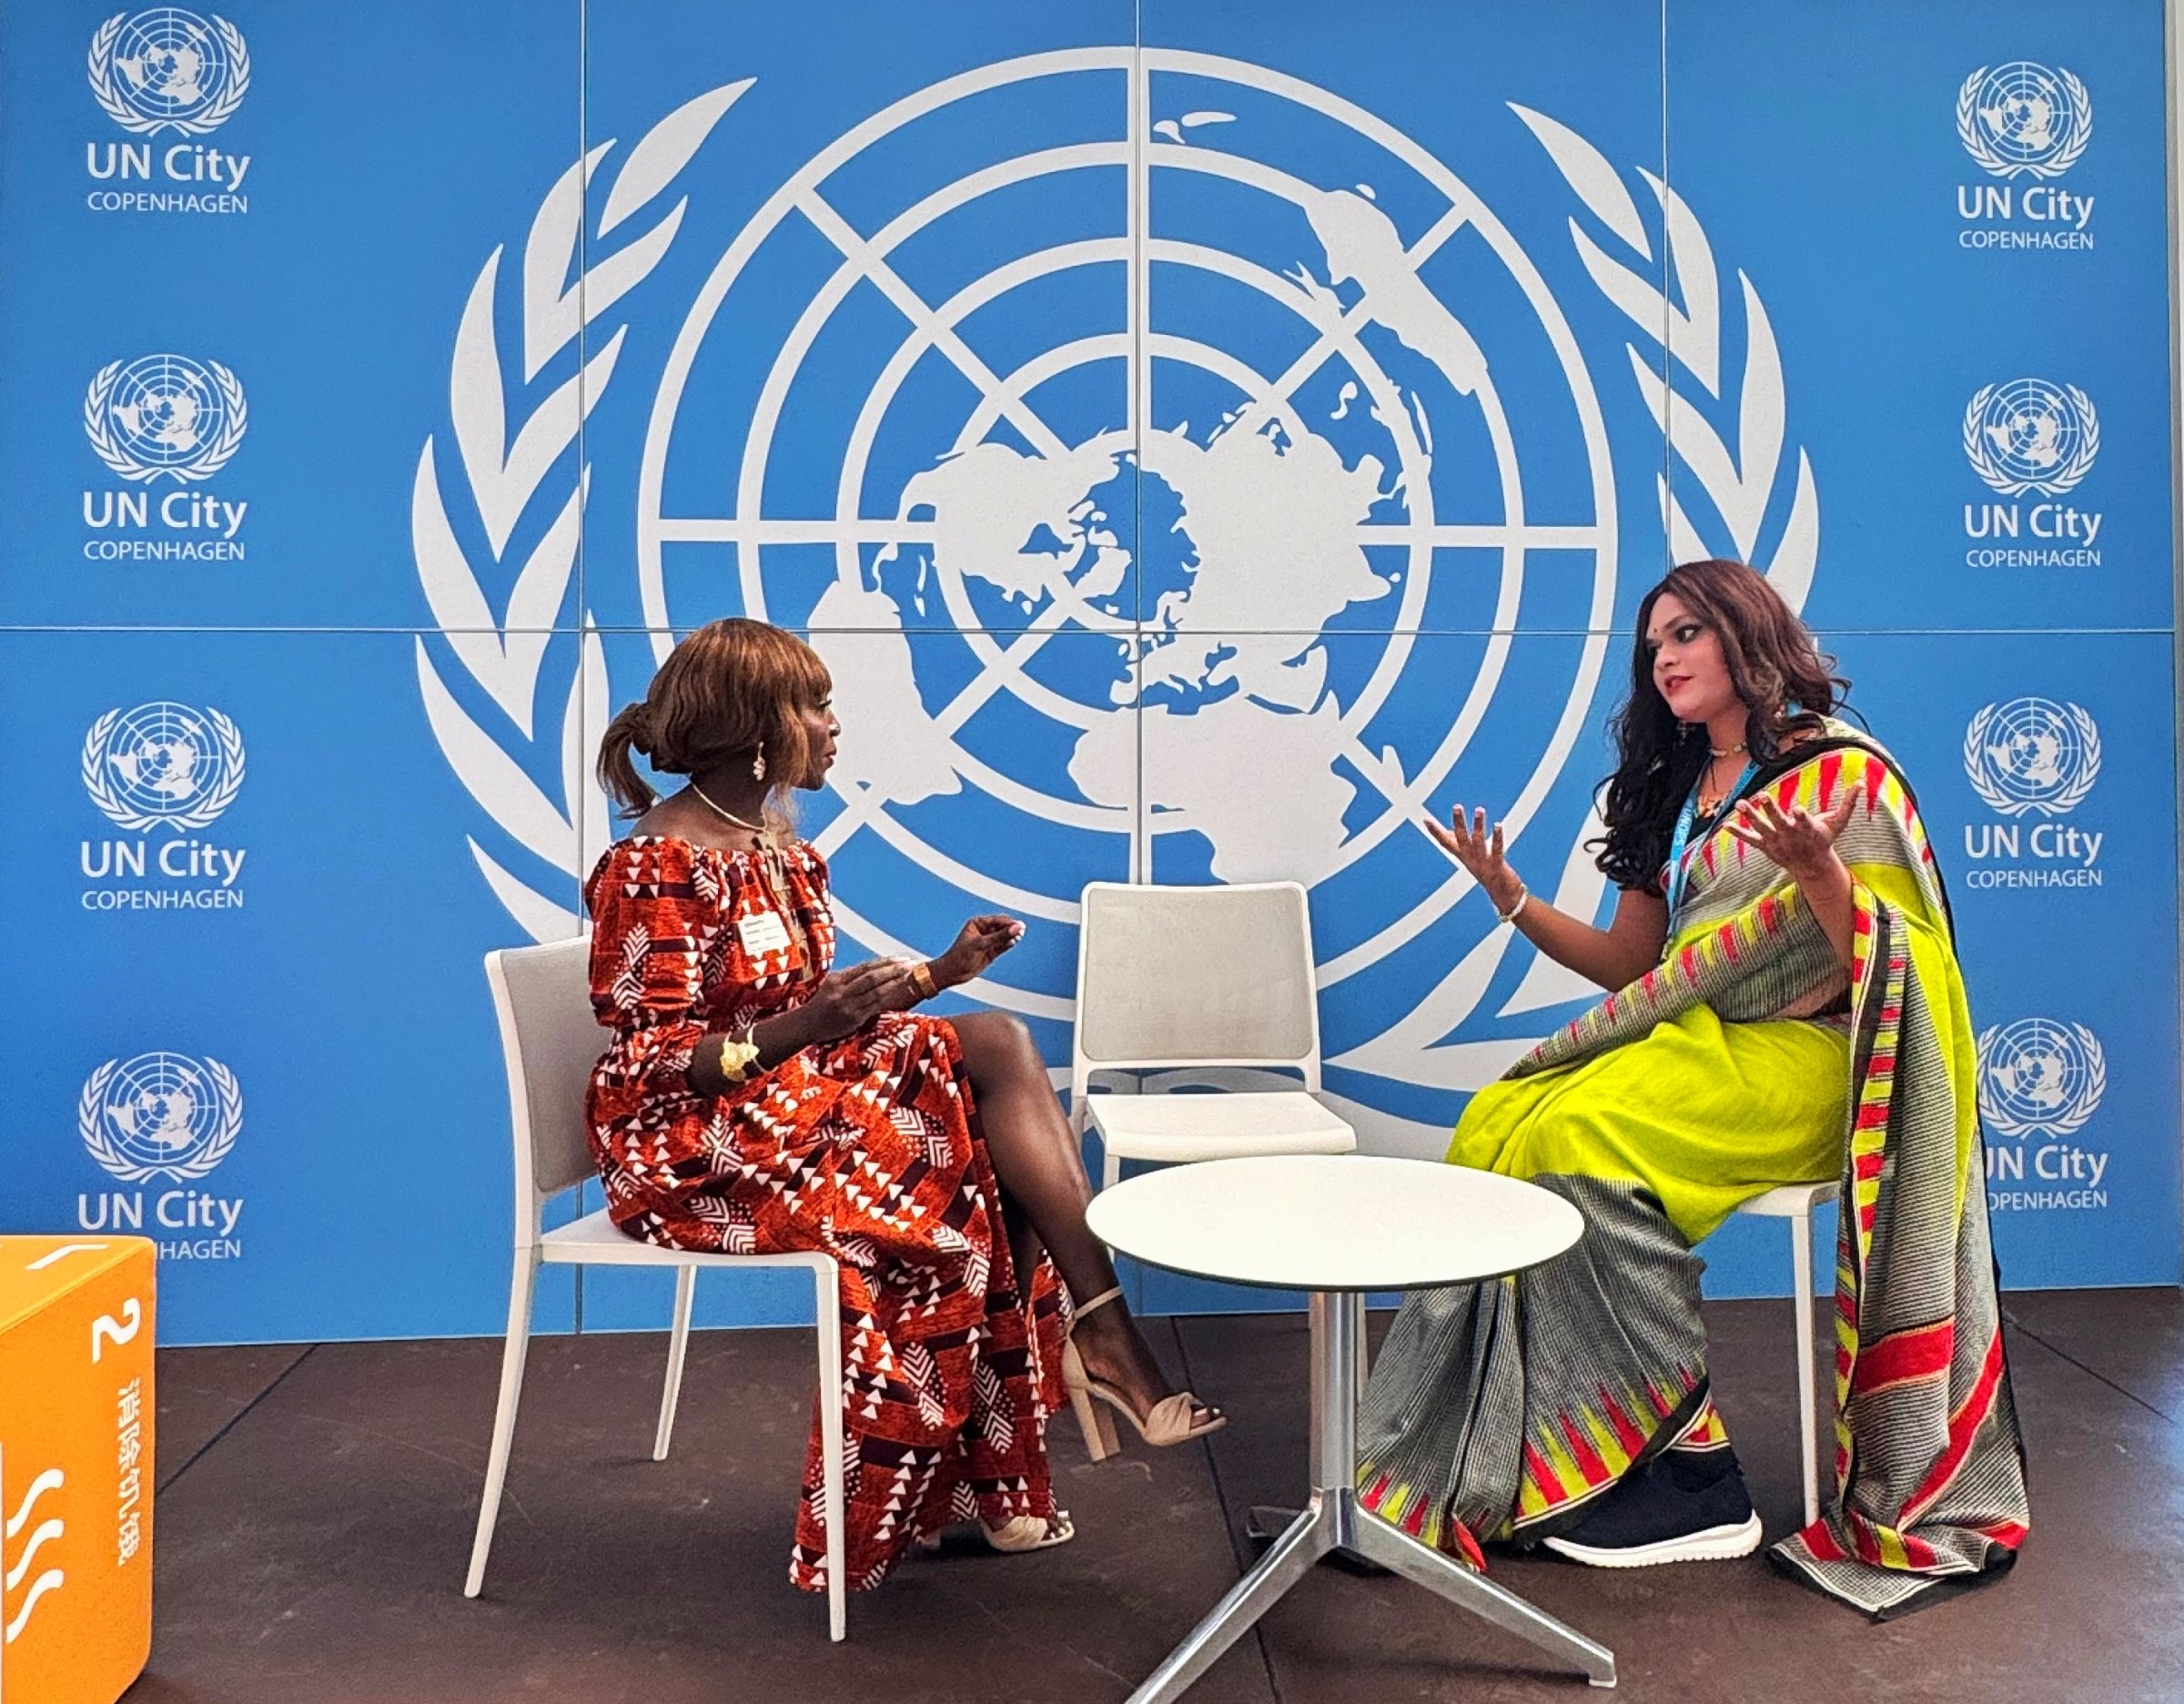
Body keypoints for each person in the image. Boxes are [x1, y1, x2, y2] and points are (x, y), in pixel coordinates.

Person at [1357, 559, 2028, 1616]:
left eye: (1685, 635)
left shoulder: (1839, 774)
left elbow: (1903, 962)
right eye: (1653, 645)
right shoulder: (1669, 791)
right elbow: (1638, 968)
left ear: (1745, 637)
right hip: (1704, 1051)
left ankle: (1691, 1477)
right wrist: (1514, 901)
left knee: (1582, 1133)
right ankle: (1528, 1462)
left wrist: (1820, 877)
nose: (1664, 659)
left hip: (1812, 1061)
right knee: (1506, 1121)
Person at [584, 618, 1223, 1596]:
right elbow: (655, 1063)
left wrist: (940, 973)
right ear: (758, 730)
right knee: (952, 1177)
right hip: (690, 1149)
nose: (833, 726)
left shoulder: (779, 847)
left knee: (991, 1050)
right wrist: (804, 1026)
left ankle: (1085, 1351)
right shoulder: (655, 865)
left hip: (784, 1099)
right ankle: (1071, 1379)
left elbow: (814, 1014)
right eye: (813, 705)